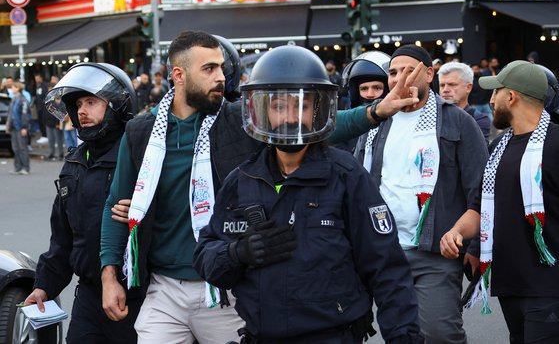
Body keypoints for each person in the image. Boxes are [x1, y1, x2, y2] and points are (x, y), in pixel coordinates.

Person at [100, 31, 378, 343]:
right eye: (209, 69)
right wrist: (109, 275)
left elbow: (311, 127)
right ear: (178, 75)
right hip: (163, 290)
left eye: (221, 67)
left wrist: (374, 112)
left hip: (225, 290)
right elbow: (116, 205)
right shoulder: (140, 133)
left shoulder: (239, 120)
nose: (221, 76)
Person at [193, 44, 422, 343]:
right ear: (260, 110)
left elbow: (388, 270)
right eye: (278, 106)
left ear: (318, 109)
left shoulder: (346, 176)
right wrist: (237, 253)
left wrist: (404, 338)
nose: (290, 116)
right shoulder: (241, 181)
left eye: (301, 105)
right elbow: (207, 257)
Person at [353, 44, 488, 343]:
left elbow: (480, 193)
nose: (399, 77)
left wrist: (474, 246)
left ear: (429, 74)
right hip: (384, 250)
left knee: (440, 333)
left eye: (408, 69)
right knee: (400, 335)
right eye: (393, 72)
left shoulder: (458, 122)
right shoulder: (375, 121)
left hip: (435, 252)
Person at [440, 60, 559, 343]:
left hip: (550, 288)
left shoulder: (555, 143)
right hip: (509, 285)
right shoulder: (498, 146)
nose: (491, 100)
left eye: (496, 92)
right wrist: (457, 232)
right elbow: (480, 207)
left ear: (511, 96)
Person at [24, 63, 140, 343]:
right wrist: (44, 286)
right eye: (77, 104)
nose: (82, 111)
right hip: (89, 295)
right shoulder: (75, 162)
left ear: (116, 105)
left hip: (136, 296)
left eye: (91, 102)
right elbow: (63, 238)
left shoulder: (138, 157)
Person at [438, 62, 490, 143]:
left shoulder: (478, 120)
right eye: (442, 85)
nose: (445, 90)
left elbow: (476, 153)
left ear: (468, 88)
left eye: (452, 84)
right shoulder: (432, 116)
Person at [6, 80, 30, 175]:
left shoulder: (23, 100)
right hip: (14, 128)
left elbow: (25, 115)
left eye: (12, 87)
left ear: (17, 88)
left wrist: (24, 127)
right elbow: (10, 114)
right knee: (15, 148)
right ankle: (18, 168)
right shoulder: (14, 99)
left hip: (20, 127)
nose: (11, 89)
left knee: (22, 148)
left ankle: (25, 168)